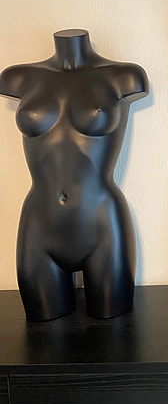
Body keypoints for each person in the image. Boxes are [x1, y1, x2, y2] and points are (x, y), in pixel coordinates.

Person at [0, 29, 149, 321]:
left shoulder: (124, 77)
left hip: (101, 224)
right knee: (40, 339)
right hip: (39, 226)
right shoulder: (18, 78)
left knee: (116, 335)